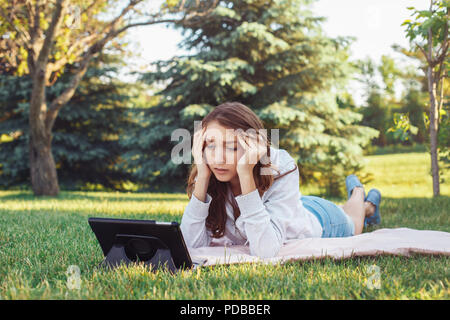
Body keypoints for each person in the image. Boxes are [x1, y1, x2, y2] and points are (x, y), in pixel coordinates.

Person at [180, 102, 381, 258]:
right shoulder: (209, 169)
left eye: (231, 146)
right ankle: (369, 205)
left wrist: (245, 173)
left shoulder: (280, 164)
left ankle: (360, 194)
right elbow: (189, 245)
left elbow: (265, 252)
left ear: (253, 145)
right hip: (292, 207)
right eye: (211, 145)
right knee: (351, 211)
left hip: (321, 219)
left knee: (354, 221)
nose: (218, 157)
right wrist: (203, 176)